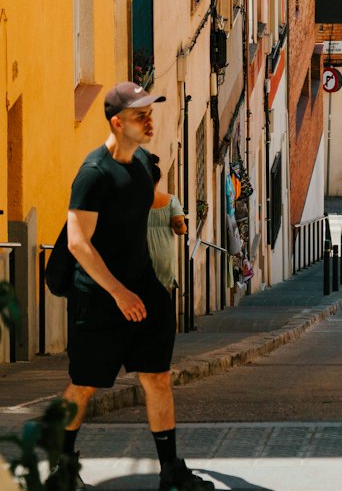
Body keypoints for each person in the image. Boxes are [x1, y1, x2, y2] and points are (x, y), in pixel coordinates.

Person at [57, 82, 213, 491]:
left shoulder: (143, 162)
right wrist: (118, 292)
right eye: (140, 115)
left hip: (144, 291)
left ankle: (170, 471)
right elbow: (78, 242)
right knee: (84, 384)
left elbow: (142, 206)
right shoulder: (93, 174)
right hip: (99, 297)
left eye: (150, 112)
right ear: (116, 122)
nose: (149, 121)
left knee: (158, 376)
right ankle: (63, 467)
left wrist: (177, 212)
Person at [146, 158, 186, 293]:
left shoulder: (132, 201)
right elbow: (180, 229)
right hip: (164, 256)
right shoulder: (171, 201)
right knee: (161, 299)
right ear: (158, 180)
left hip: (140, 256)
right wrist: (181, 224)